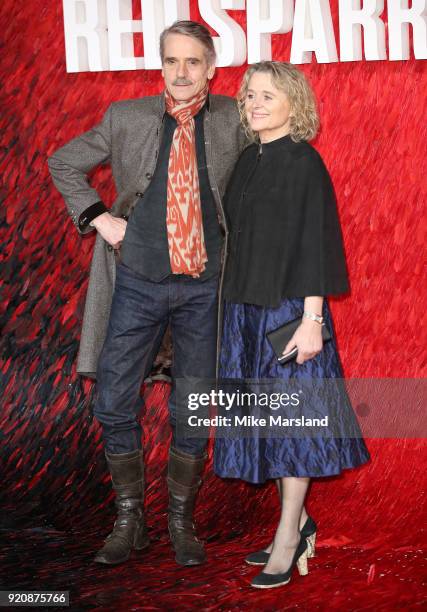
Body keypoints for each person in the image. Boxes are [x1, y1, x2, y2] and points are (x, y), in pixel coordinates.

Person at [48, 20, 245, 567]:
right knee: (113, 398)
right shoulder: (127, 116)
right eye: (170, 61)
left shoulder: (233, 117)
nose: (180, 73)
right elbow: (63, 161)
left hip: (206, 286)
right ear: (160, 65)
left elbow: (274, 155)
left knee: (194, 406)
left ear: (211, 67)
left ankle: (181, 523)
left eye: (192, 62)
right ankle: (129, 519)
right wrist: (100, 219)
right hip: (135, 280)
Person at [213, 61, 370, 588]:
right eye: (250, 94)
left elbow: (316, 244)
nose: (255, 103)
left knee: (293, 428)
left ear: (292, 104)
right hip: (243, 313)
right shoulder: (246, 160)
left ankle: (287, 537)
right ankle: (299, 524)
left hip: (287, 314)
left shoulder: (305, 162)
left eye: (268, 95)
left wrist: (311, 320)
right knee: (264, 425)